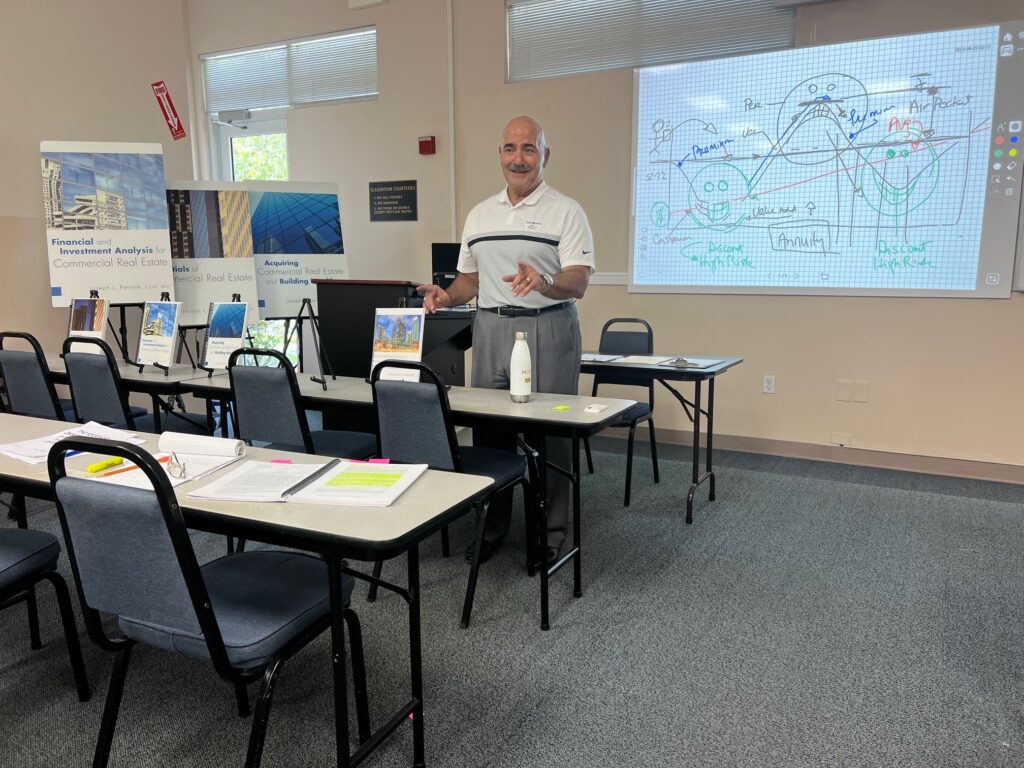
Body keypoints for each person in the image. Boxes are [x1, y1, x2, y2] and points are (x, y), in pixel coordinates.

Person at [418, 115, 595, 566]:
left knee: (551, 433)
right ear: (499, 155)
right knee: (489, 432)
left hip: (549, 326)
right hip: (491, 328)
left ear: (545, 156)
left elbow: (577, 282)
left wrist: (544, 279)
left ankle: (549, 535)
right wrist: (446, 295)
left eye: (529, 149)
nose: (519, 158)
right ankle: (492, 527)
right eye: (510, 149)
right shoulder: (480, 214)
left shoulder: (566, 210)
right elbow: (469, 281)